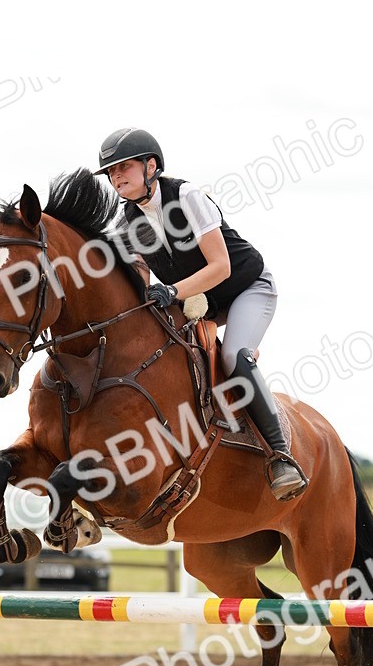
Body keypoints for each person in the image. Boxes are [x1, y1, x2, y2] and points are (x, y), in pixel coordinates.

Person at [94, 128, 307, 501]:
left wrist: (173, 290)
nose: (116, 177)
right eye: (111, 172)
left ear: (151, 166)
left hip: (246, 288)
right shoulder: (129, 222)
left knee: (232, 355)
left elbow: (221, 266)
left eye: (123, 167)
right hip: (198, 300)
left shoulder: (186, 196)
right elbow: (142, 280)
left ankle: (281, 456)